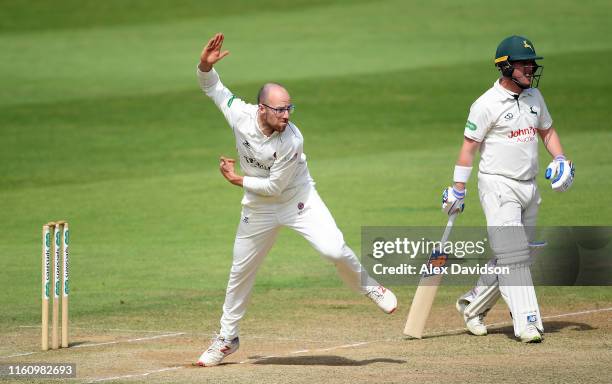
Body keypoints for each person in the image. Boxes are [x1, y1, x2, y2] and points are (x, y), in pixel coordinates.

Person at [195, 33, 397, 366]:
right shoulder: (240, 114)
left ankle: (371, 288)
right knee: (240, 270)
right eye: (279, 109)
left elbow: (275, 187)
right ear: (261, 108)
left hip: (297, 200)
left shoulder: (292, 140)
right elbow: (212, 88)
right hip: (258, 208)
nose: (287, 114)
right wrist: (205, 65)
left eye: (290, 108)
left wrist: (237, 179)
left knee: (333, 249)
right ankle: (227, 338)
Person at [441, 35, 575, 343]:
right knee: (514, 256)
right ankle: (527, 323)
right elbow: (468, 147)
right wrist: (458, 188)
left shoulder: (534, 98)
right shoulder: (485, 105)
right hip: (498, 186)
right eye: (524, 64)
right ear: (505, 67)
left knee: (516, 257)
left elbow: (547, 130)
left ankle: (473, 306)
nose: (530, 69)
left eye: (532, 64)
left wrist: (560, 157)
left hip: (529, 186)